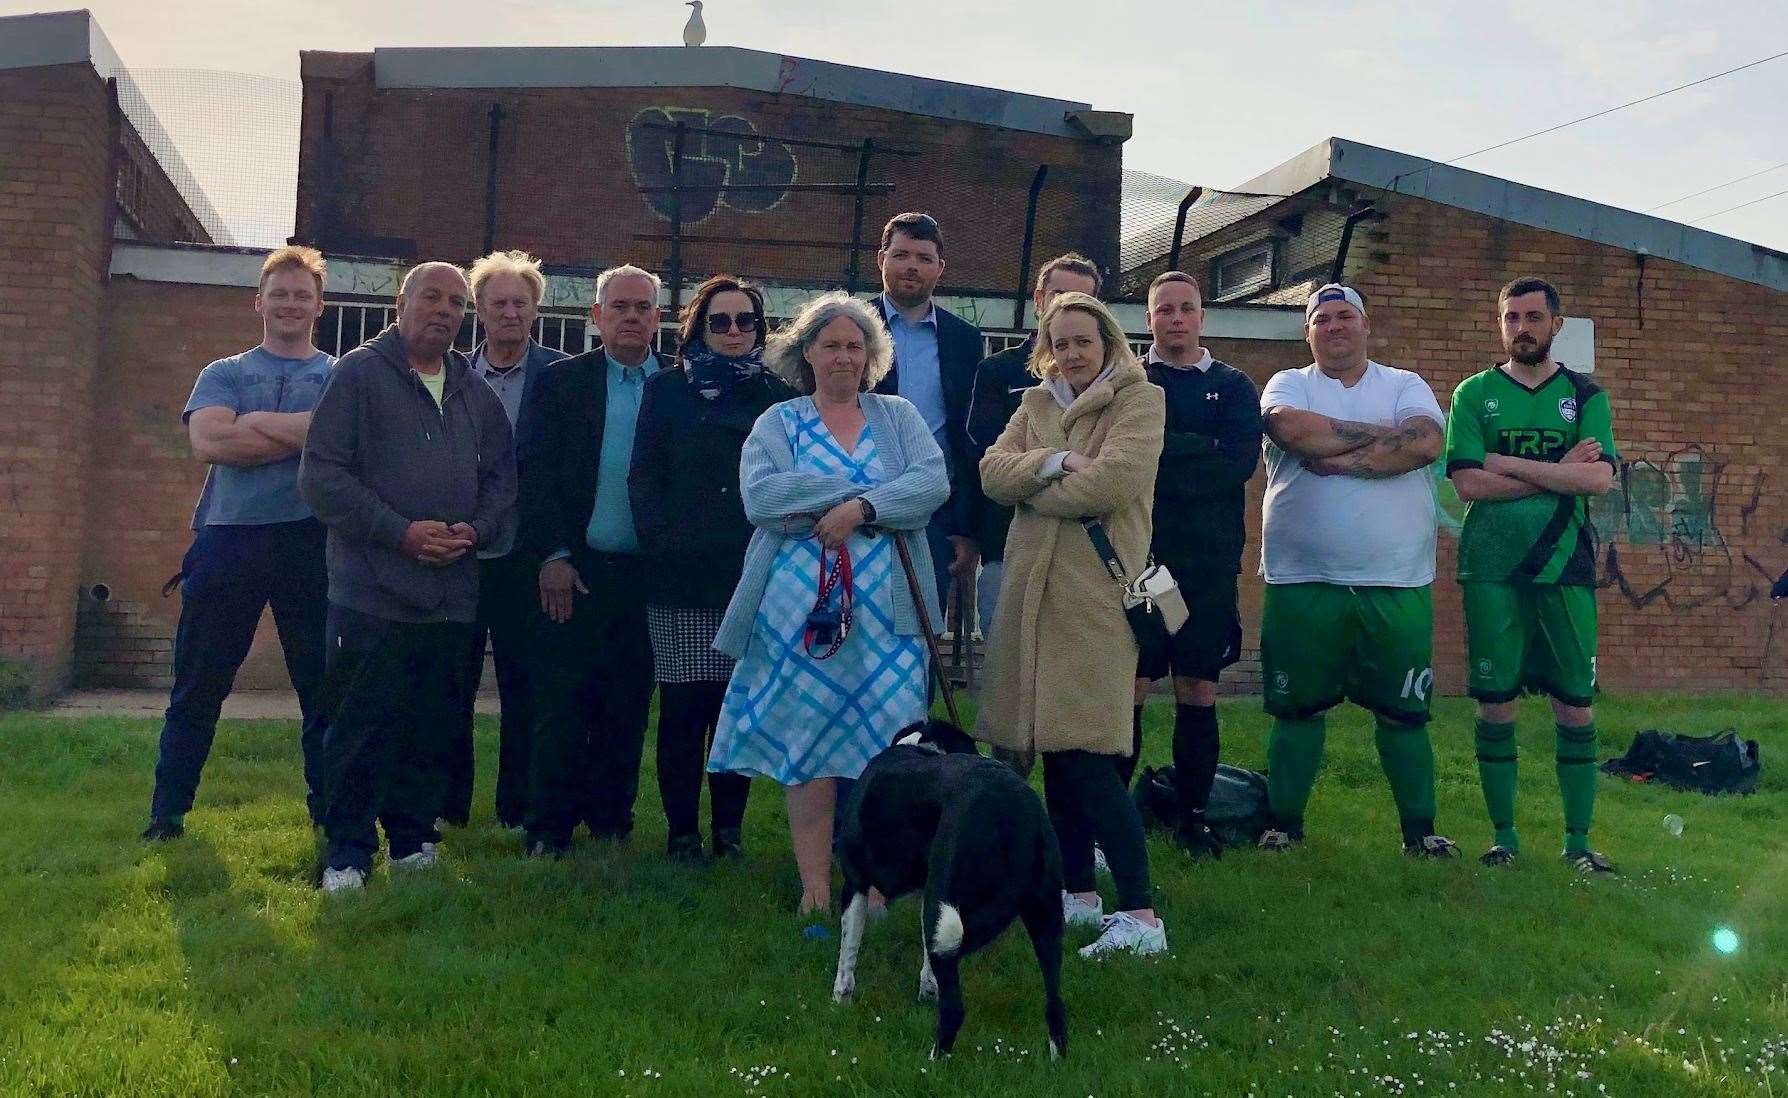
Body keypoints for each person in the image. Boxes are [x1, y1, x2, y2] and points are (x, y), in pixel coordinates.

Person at [708, 291, 948, 916]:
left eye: (855, 345)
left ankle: (873, 883)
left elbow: (931, 483)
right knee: (808, 744)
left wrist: (861, 510)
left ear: (872, 355)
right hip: (801, 620)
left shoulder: (898, 416)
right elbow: (763, 498)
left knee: (888, 748)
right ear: (806, 351)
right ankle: (815, 885)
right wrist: (871, 495)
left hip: (889, 621)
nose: (843, 356)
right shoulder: (778, 423)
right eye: (830, 344)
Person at [298, 261, 516, 892]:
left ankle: (413, 839)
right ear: (402, 303)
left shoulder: (474, 392)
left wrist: (476, 529)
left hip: (451, 593)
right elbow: (323, 478)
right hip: (371, 592)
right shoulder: (358, 376)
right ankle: (347, 851)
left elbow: (503, 478)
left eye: (455, 301)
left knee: (431, 722)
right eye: (431, 297)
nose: (444, 310)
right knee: (362, 724)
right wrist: (400, 531)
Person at [976, 291, 1169, 958]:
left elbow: (1110, 485)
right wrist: (1054, 462)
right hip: (1031, 599)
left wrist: (1038, 488)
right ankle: (1078, 895)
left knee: (1090, 756)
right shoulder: (1034, 406)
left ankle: (1141, 917)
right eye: (1060, 341)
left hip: (1094, 600)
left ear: (1109, 342)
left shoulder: (1141, 401)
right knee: (1055, 750)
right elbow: (991, 476)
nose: (1072, 353)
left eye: (1084, 340)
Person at [1255, 284, 1456, 858]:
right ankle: (1284, 826)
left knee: (1404, 714)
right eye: (1322, 319)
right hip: (1302, 580)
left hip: (1396, 581)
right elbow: (1292, 431)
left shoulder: (1403, 384)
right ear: (1308, 331)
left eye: (1346, 317)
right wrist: (1384, 442)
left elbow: (1426, 443)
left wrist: (1338, 460)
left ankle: (1420, 833)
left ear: (1366, 326)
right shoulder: (1288, 383)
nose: (1335, 327)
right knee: (1296, 710)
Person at [142, 246, 335, 842]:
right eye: (280, 293)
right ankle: (167, 815)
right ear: (259, 303)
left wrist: (251, 423)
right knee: (199, 682)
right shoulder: (222, 372)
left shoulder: (337, 376)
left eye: (302, 294)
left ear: (318, 306)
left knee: (322, 687)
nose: (290, 304)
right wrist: (303, 435)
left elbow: (338, 444)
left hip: (312, 541)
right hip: (228, 542)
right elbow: (210, 444)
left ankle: (330, 819)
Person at [1445, 277, 1618, 872]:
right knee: (1496, 704)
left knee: (1575, 706)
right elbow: (1467, 482)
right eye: (1512, 317)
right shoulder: (1473, 393)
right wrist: (1555, 467)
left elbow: (1597, 479)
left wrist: (1504, 462)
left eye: (1533, 317)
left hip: (1566, 566)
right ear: (1501, 324)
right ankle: (1504, 840)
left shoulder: (1586, 394)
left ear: (1555, 324)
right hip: (1490, 567)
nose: (1522, 327)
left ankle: (1578, 844)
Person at [629, 275, 796, 862]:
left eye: (745, 321)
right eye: (719, 321)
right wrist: (660, 542)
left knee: (735, 708)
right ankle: (680, 831)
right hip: (678, 576)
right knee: (681, 709)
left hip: (748, 575)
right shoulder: (667, 390)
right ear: (698, 325)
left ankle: (728, 831)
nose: (732, 331)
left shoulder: (776, 397)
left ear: (759, 328)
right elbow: (643, 474)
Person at [516, 264, 664, 857]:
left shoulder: (673, 389)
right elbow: (536, 476)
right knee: (561, 699)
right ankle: (547, 828)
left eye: (642, 307)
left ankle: (611, 822)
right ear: (596, 316)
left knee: (627, 703)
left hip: (646, 577)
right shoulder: (559, 384)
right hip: (574, 570)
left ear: (659, 319)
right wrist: (552, 554)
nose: (631, 317)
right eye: (619, 307)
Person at [1131, 272, 1263, 857]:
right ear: (1149, 318)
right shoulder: (1129, 382)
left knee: (1197, 688)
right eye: (1165, 310)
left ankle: (1192, 817)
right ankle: (1115, 821)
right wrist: (1195, 447)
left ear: (1202, 316)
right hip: (1141, 566)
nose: (1176, 318)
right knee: (1128, 688)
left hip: (1206, 569)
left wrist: (1167, 449)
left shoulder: (1234, 388)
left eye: (1186, 309)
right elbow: (1127, 462)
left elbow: (1234, 466)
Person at [440, 249, 567, 831]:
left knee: (525, 687)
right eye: (498, 303)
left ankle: (516, 809)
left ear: (536, 311)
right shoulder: (450, 378)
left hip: (528, 556)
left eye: (521, 302)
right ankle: (447, 808)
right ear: (479, 312)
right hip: (460, 557)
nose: (510, 313)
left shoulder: (563, 378)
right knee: (450, 687)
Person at [966, 253, 1102, 641]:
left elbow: (1106, 467)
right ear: (1039, 299)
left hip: (1083, 547)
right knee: (1005, 661)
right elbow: (990, 458)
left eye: (1079, 301)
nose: (1065, 308)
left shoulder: (1112, 382)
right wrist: (1061, 463)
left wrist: (1031, 467)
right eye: (1058, 295)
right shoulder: (998, 372)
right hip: (1007, 543)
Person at [871, 212, 987, 612]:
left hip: (934, 510)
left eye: (923, 257)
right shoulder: (849, 327)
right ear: (881, 259)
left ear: (940, 267)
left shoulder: (965, 340)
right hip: (859, 500)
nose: (912, 267)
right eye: (901, 254)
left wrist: (964, 528)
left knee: (921, 634)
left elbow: (968, 439)